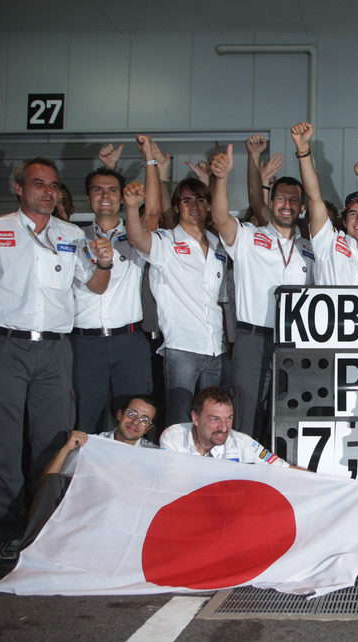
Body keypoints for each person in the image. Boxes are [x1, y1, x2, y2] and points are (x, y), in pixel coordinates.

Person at [0, 156, 114, 559]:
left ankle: (45, 528)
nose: (47, 191)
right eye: (38, 184)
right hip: (4, 347)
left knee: (53, 442)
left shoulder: (71, 234)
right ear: (19, 188)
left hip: (55, 350)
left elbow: (97, 286)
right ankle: (9, 533)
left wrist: (104, 262)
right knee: (4, 443)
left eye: (52, 185)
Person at [209, 137, 313, 437]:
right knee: (244, 411)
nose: (287, 204)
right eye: (281, 198)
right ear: (271, 201)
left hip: (293, 343)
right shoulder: (249, 237)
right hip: (252, 339)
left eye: (294, 200)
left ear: (302, 207)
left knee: (283, 416)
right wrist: (221, 178)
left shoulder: (310, 249)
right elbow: (219, 217)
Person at [124, 135, 228, 427]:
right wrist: (133, 208)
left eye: (199, 199)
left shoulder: (218, 245)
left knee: (212, 422)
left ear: (208, 205)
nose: (194, 206)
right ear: (178, 206)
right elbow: (136, 237)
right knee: (180, 420)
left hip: (215, 349)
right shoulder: (166, 243)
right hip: (182, 348)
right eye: (186, 200)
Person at [17, 395, 160, 552]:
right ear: (119, 414)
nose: (135, 422)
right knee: (54, 482)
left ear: (149, 429)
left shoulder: (153, 455)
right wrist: (66, 449)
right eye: (132, 414)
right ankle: (30, 552)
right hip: (86, 513)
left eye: (144, 420)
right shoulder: (91, 444)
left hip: (124, 520)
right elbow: (48, 482)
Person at [71, 164, 153, 434]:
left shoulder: (135, 236)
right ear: (87, 197)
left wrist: (151, 161)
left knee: (135, 420)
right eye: (97, 190)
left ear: (121, 198)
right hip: (85, 344)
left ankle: (131, 476)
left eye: (112, 190)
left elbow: (152, 212)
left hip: (128, 342)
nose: (105, 195)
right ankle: (81, 476)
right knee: (84, 419)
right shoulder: (72, 237)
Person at [291, 122, 358, 286]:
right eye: (353, 214)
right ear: (345, 220)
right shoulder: (329, 243)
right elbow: (314, 197)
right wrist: (303, 150)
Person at [160, 386, 295, 467]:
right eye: (215, 419)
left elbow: (284, 470)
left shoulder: (242, 442)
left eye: (229, 418)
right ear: (195, 418)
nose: (224, 428)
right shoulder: (173, 437)